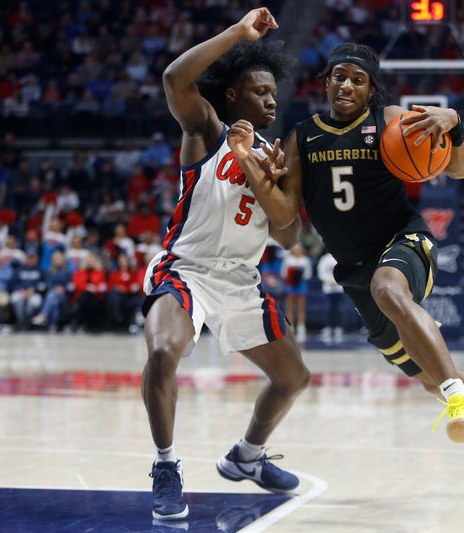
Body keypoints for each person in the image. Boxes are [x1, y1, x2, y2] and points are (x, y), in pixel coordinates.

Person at [234, 42, 464, 464]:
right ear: (326, 82)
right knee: (430, 377)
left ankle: (459, 402)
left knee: (389, 289)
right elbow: (286, 221)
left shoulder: (392, 121)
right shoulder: (302, 136)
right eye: (339, 76)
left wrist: (453, 123)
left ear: (370, 89)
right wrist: (256, 172)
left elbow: (460, 169)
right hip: (354, 269)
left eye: (357, 79)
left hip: (404, 242)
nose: (346, 85)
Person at [141, 8, 310, 522]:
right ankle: (166, 466)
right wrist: (239, 33)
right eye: (260, 91)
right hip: (186, 270)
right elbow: (175, 77)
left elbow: (288, 234)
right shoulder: (207, 129)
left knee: (293, 378)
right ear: (232, 95)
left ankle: (248, 457)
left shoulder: (273, 155)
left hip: (240, 281)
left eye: (273, 92)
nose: (271, 98)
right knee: (164, 351)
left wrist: (265, 178)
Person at [280, 244, 312, 342]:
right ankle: (290, 328)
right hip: (290, 285)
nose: (297, 251)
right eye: (295, 249)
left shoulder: (305, 260)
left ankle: (301, 329)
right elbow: (283, 273)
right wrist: (291, 276)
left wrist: (298, 276)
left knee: (301, 308)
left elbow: (308, 274)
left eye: (299, 249)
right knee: (289, 307)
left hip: (301, 285)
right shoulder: (288, 260)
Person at [317, 252, 344, 343]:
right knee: (328, 309)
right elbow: (321, 272)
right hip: (328, 289)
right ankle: (328, 328)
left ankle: (338, 328)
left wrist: (338, 280)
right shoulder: (325, 259)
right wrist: (328, 279)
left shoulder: (340, 257)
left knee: (338, 309)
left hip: (339, 288)